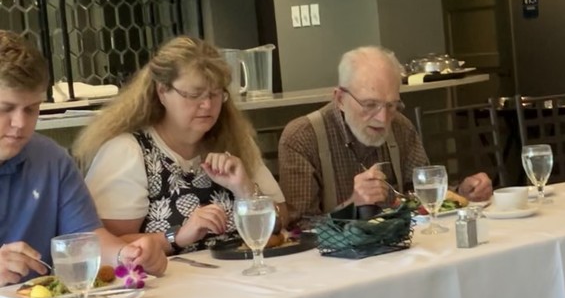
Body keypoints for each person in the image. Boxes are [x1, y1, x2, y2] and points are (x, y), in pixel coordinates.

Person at [76, 36, 284, 254]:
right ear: (162, 91)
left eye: (215, 94)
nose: (207, 105)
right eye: (194, 95)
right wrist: (177, 236)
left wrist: (246, 190)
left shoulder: (233, 140)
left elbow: (282, 218)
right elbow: (107, 246)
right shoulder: (128, 152)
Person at [0, 32, 166, 287]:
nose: (20, 123)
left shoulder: (51, 160)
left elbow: (87, 237)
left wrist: (127, 255)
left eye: (31, 109)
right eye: (5, 109)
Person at [278, 45, 492, 223]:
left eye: (391, 105)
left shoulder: (401, 127)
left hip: (399, 249)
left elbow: (419, 196)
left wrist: (461, 193)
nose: (382, 118)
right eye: (370, 105)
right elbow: (300, 229)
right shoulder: (302, 138)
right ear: (340, 99)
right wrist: (352, 205)